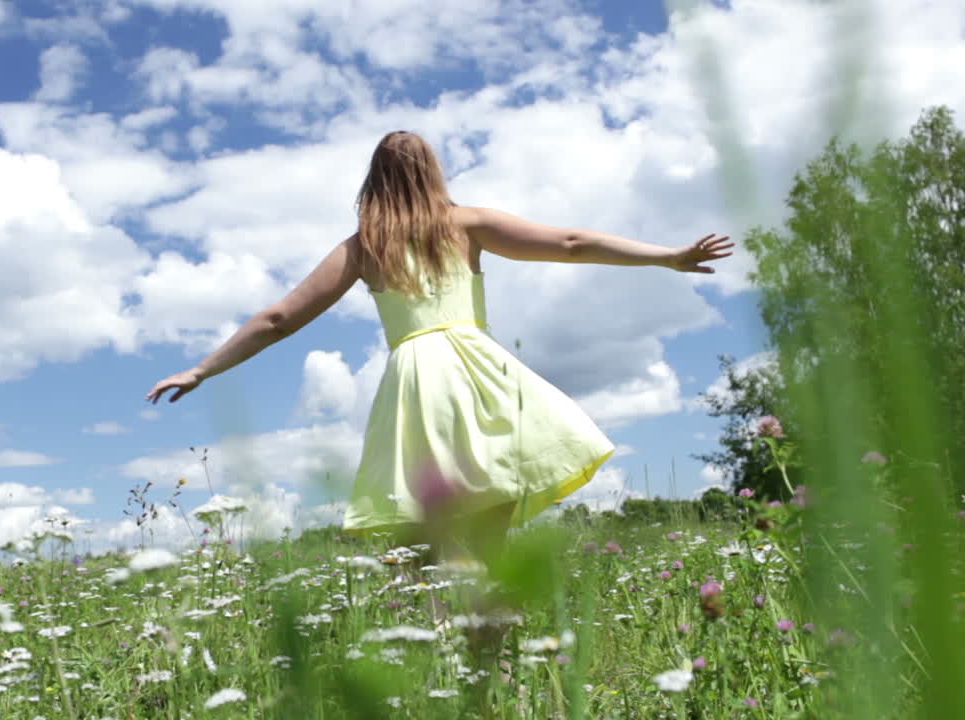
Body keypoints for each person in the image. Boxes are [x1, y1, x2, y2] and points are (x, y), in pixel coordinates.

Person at [146, 130, 732, 566]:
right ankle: (492, 664)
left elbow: (278, 319)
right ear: (432, 172)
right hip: (477, 371)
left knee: (421, 547)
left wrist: (202, 369)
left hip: (415, 384)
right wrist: (666, 256)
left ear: (373, 182)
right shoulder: (467, 222)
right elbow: (571, 242)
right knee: (488, 539)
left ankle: (436, 655)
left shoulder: (362, 247)